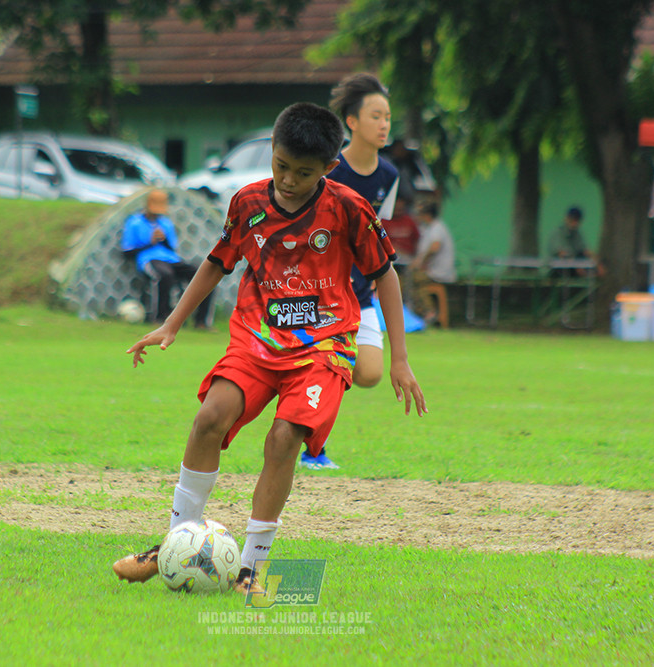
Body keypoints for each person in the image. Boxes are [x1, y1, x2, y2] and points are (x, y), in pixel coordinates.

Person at [112, 102, 426, 594]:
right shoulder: (248, 204)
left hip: (325, 346)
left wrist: (400, 359)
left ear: (329, 167)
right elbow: (218, 261)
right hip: (257, 341)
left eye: (303, 173)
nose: (288, 180)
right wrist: (171, 325)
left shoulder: (347, 209)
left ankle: (251, 571)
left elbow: (385, 275)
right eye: (281, 166)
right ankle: (174, 542)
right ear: (272, 154)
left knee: (284, 439)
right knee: (209, 418)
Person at [299, 71, 399, 471]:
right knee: (329, 366)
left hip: (361, 293)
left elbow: (378, 236)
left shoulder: (388, 176)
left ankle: (306, 425)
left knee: (370, 373)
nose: (384, 124)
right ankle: (313, 449)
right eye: (376, 115)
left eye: (388, 116)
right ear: (352, 122)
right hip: (317, 293)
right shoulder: (328, 170)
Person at [120, 189, 213, 328]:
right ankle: (159, 318)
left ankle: (201, 321)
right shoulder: (134, 222)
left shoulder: (165, 223)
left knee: (204, 275)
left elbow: (172, 248)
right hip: (149, 259)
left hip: (171, 259)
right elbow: (127, 251)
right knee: (165, 275)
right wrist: (149, 242)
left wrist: (163, 240)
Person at [409, 199, 456, 321]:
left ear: (427, 215)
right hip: (431, 270)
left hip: (439, 272)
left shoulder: (437, 228)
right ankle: (421, 312)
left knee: (411, 278)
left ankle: (427, 311)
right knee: (414, 280)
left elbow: (435, 247)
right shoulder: (428, 228)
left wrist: (421, 263)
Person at [547, 206, 601, 276]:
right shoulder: (557, 233)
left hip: (574, 268)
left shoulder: (577, 234)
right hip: (558, 269)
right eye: (572, 219)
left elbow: (585, 250)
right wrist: (577, 266)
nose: (574, 223)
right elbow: (562, 254)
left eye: (577, 220)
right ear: (566, 218)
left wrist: (598, 264)